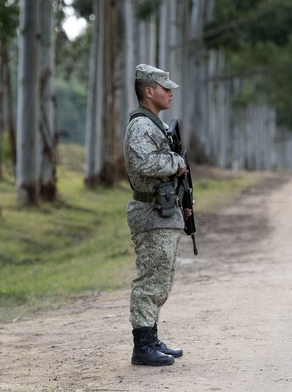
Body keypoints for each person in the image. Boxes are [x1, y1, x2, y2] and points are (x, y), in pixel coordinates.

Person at [124, 63, 187, 366]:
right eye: (165, 88)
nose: (170, 92)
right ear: (149, 91)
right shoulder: (141, 126)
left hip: (163, 211)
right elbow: (143, 164)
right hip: (150, 212)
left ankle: (152, 337)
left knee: (161, 277)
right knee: (150, 278)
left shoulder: (155, 125)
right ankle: (142, 346)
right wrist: (176, 163)